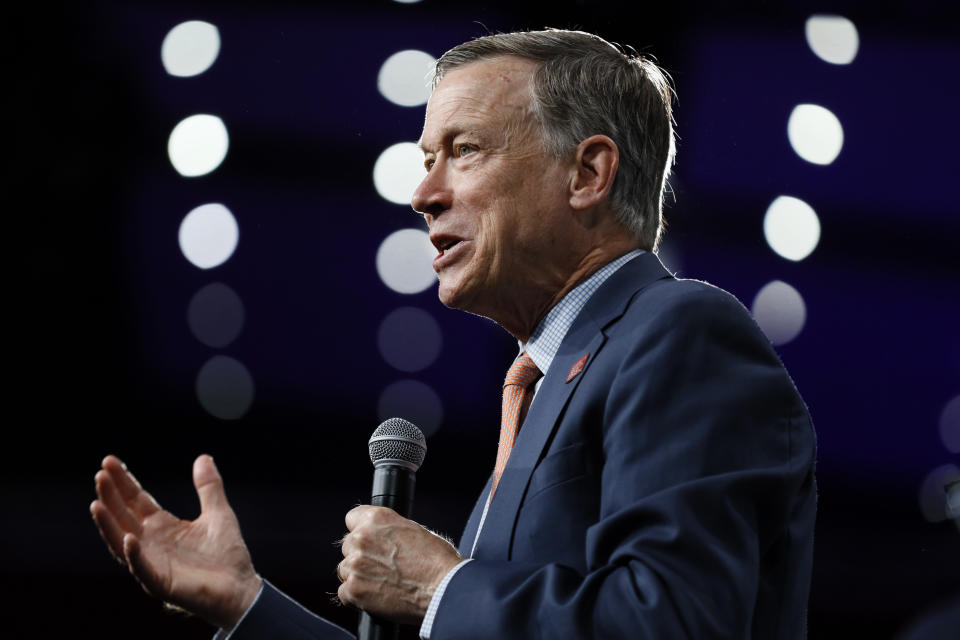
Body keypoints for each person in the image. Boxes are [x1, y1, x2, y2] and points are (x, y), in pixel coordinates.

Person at [91, 29, 816, 639]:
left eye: (463, 150)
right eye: (425, 159)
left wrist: (442, 584)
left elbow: (675, 623)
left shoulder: (679, 332)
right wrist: (244, 603)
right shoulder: (546, 386)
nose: (423, 194)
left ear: (587, 173)